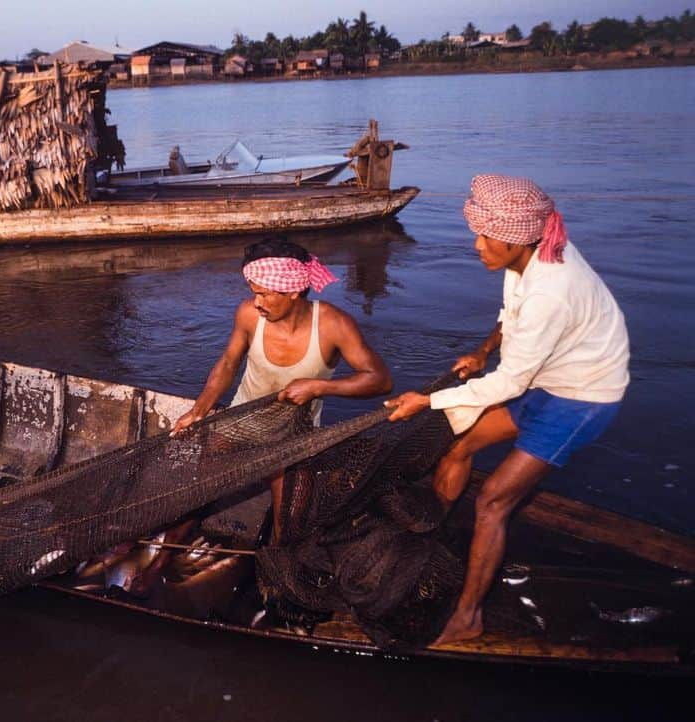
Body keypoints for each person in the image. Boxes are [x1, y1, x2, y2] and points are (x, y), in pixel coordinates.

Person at [386, 174, 629, 645]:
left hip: (583, 398)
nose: (476, 246)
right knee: (457, 446)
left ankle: (468, 618)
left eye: (486, 236)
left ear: (517, 239)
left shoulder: (552, 289)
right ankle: (429, 540)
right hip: (547, 378)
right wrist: (481, 350)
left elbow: (509, 381)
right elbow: (509, 318)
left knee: (493, 500)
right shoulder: (526, 262)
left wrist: (427, 401)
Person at [172, 236, 393, 543]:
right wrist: (198, 411)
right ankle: (164, 559)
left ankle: (275, 568)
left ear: (292, 292)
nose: (257, 302)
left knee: (290, 520)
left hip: (295, 436)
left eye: (263, 294)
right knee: (193, 491)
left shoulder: (332, 325)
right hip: (241, 422)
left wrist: (319, 387)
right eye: (254, 293)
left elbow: (380, 379)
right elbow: (227, 363)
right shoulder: (249, 314)